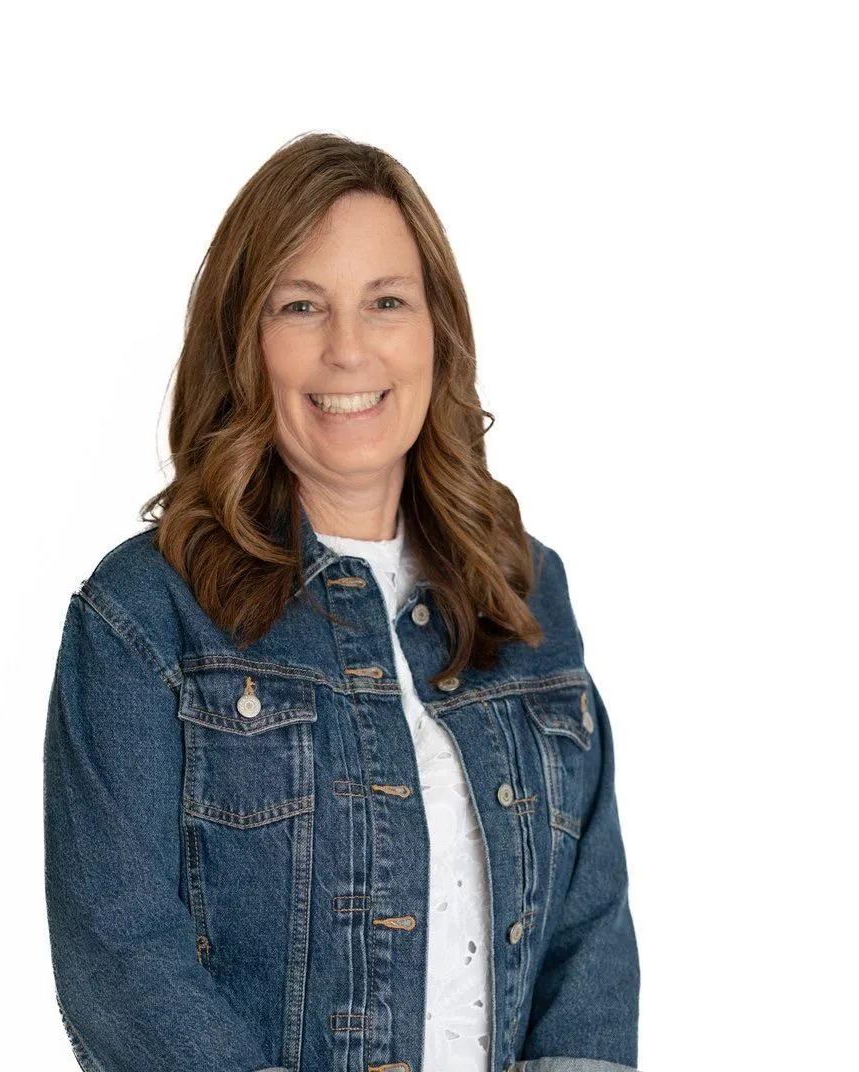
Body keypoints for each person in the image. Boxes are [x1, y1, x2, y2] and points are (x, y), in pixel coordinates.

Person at [43, 132, 641, 1072]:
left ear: (435, 332)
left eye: (386, 302)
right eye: (301, 305)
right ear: (245, 343)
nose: (348, 348)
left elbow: (589, 934)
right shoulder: (144, 617)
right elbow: (121, 957)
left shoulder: (524, 591)